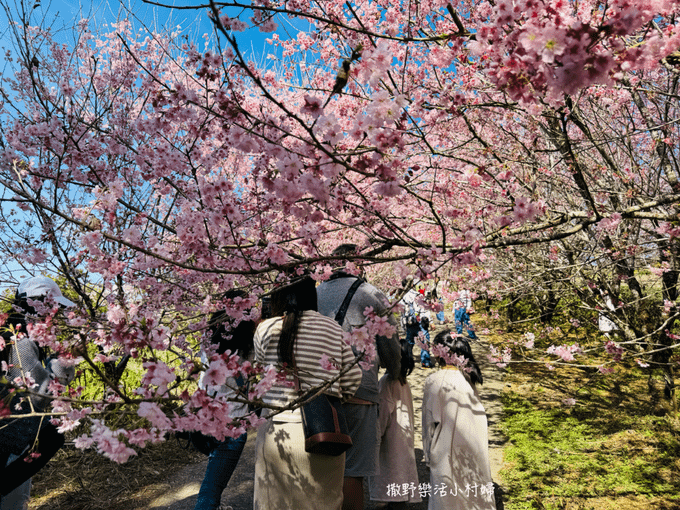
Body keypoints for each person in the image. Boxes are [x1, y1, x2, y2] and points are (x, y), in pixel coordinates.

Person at [253, 276, 362, 510]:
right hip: (322, 430)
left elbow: (260, 375)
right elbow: (353, 378)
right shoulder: (333, 328)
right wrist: (331, 398)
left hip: (276, 430)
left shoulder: (265, 328)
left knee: (272, 504)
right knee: (323, 502)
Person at [317, 245, 402, 510]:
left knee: (322, 465)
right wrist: (395, 372)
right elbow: (390, 345)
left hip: (320, 391)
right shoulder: (371, 293)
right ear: (359, 264)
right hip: (360, 391)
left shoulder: (314, 293)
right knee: (352, 469)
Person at [0, 276, 77, 509]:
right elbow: (38, 397)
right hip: (9, 439)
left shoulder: (11, 332)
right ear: (37, 305)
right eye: (53, 307)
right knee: (54, 433)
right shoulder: (21, 341)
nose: (55, 314)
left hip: (10, 434)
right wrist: (64, 361)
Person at [194, 290, 257, 510]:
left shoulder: (207, 345)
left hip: (208, 418)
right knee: (211, 490)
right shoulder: (249, 349)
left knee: (214, 476)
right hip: (233, 424)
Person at [422, 331, 495, 510]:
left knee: (447, 498)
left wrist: (427, 455)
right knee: (472, 493)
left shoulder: (434, 380)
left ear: (438, 352)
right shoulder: (468, 378)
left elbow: (428, 423)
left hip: (446, 449)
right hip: (473, 445)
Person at [368, 342, 421, 509]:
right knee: (399, 484)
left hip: (390, 443)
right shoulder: (403, 382)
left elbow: (382, 415)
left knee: (389, 484)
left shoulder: (386, 382)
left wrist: (375, 437)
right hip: (402, 442)